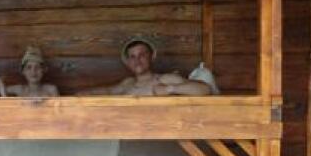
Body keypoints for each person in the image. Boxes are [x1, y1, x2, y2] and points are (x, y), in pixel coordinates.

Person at [78, 37, 213, 96]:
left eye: (142, 55)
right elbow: (108, 91)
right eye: (132, 57)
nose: (137, 60)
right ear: (127, 62)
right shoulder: (127, 83)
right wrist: (78, 96)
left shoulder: (164, 79)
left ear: (151, 57)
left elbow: (205, 90)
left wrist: (170, 89)